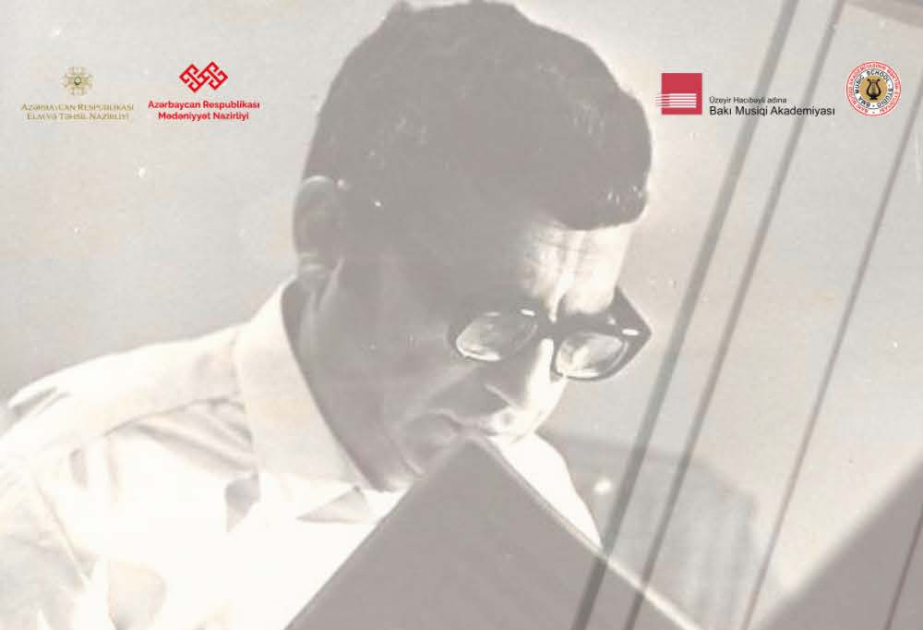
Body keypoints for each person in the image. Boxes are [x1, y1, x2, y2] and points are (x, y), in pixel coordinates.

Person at [0, 2, 652, 628]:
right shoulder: (74, 487)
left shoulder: (535, 495)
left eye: (576, 335)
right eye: (494, 321)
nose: (527, 396)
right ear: (326, 235)